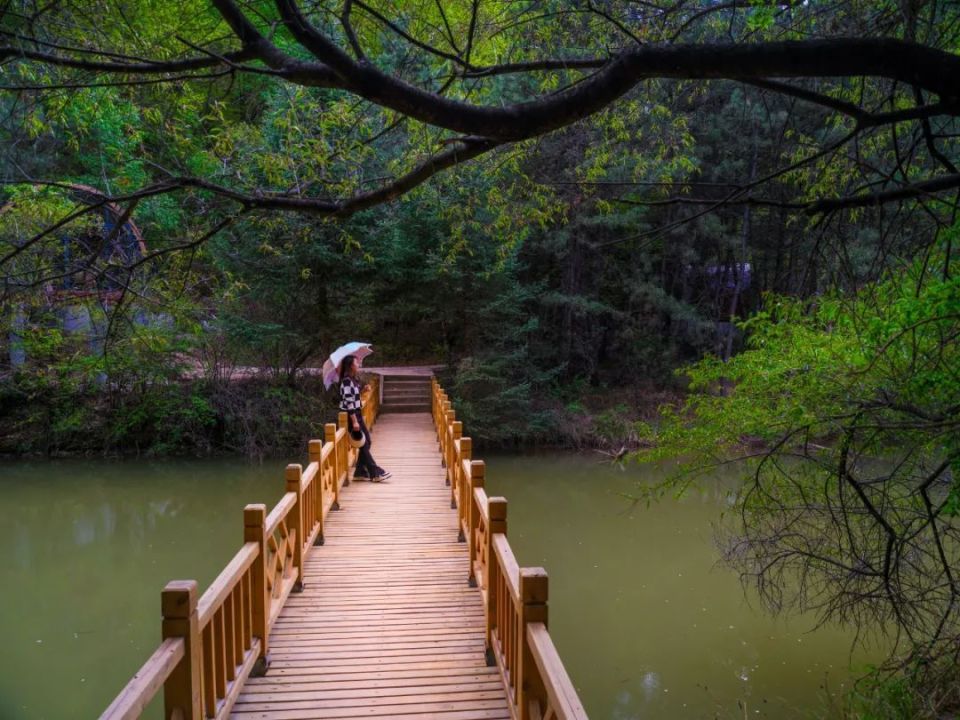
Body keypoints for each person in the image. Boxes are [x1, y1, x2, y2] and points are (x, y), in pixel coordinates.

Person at [338, 355, 390, 481]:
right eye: (357, 363)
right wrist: (354, 421)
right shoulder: (346, 381)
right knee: (364, 444)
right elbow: (349, 402)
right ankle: (375, 473)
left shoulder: (352, 380)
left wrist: (363, 388)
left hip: (357, 414)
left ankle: (360, 472)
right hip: (352, 416)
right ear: (351, 365)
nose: (359, 365)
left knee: (367, 442)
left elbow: (354, 395)